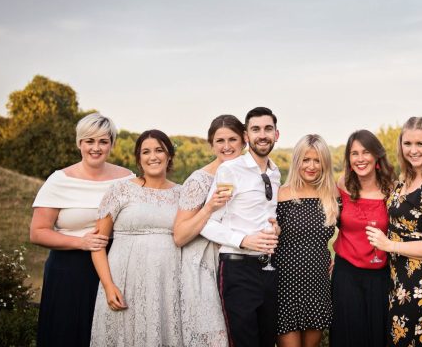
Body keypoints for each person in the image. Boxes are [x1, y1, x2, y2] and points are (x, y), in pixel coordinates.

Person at [30, 113, 134, 347]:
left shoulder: (127, 179)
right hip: (68, 270)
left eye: (103, 142)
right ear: (79, 143)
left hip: (116, 268)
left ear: (112, 144)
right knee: (67, 334)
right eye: (89, 141)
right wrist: (81, 243)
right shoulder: (59, 180)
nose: (96, 148)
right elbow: (37, 231)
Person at [89, 129, 182, 346]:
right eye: (146, 152)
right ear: (139, 159)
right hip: (124, 280)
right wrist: (108, 285)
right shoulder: (120, 190)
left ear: (169, 155)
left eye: (159, 150)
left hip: (166, 283)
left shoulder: (182, 193)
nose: (153, 157)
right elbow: (97, 243)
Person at [366, 117, 422, 346]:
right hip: (399, 277)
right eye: (407, 144)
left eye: (420, 144)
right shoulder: (406, 178)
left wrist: (389, 245)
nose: (413, 150)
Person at [200, 107, 282, 347]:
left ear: (277, 134)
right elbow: (207, 223)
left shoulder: (275, 172)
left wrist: (275, 229)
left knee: (267, 341)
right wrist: (243, 239)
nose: (262, 134)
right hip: (238, 269)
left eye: (268, 129)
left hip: (268, 269)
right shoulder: (230, 170)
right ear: (247, 136)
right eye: (256, 129)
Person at [173, 114, 246, 347]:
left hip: (239, 260)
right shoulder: (199, 181)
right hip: (203, 265)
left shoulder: (251, 175)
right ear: (211, 144)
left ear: (244, 141)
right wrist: (209, 208)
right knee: (213, 336)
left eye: (232, 139)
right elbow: (180, 235)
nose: (227, 147)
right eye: (220, 141)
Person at [330, 129, 397, 347]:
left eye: (365, 152)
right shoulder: (342, 184)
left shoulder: (393, 189)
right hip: (346, 274)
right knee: (348, 335)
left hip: (381, 275)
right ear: (349, 159)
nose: (360, 159)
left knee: (377, 335)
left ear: (377, 156)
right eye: (354, 153)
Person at [275, 134, 340, 347]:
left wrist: (338, 258)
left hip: (317, 285)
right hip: (286, 285)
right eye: (306, 160)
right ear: (297, 162)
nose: (311, 166)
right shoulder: (281, 195)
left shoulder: (333, 195)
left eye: (317, 160)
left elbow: (352, 231)